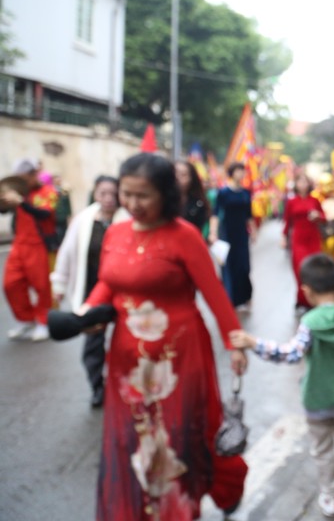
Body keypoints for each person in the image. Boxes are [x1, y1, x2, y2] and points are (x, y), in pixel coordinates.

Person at [81, 153, 248, 519]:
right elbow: (108, 282)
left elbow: (215, 294)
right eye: (127, 194)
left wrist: (234, 343)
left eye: (144, 196)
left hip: (179, 355)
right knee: (131, 437)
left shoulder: (184, 236)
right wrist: (86, 314)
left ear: (166, 195)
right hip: (127, 358)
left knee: (178, 437)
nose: (133, 204)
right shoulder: (116, 231)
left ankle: (179, 509)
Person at [230, 253, 334, 518]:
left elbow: (289, 354)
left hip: (318, 400)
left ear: (306, 290)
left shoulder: (310, 323)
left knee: (323, 450)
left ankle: (331, 496)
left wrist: (253, 343)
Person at [50, 175, 129, 407]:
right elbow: (66, 252)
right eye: (103, 193)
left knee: (125, 341)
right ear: (95, 194)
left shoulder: (129, 220)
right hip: (91, 291)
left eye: (113, 194)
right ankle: (97, 386)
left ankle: (126, 386)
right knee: (93, 343)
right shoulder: (83, 220)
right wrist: (60, 283)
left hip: (122, 292)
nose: (108, 199)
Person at [2, 157, 59, 341]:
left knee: (43, 287)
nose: (21, 182)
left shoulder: (48, 191)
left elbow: (43, 214)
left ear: (34, 175)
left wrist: (20, 202)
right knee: (11, 284)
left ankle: (43, 322)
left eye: (24, 178)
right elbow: (4, 211)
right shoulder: (21, 193)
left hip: (40, 246)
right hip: (19, 245)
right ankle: (26, 319)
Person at [209, 162, 256, 311]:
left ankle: (245, 297)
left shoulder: (246, 193)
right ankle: (231, 299)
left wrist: (253, 231)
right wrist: (213, 232)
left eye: (243, 171)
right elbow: (215, 214)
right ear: (232, 173)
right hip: (226, 233)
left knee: (244, 265)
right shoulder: (223, 193)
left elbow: (249, 215)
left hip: (241, 234)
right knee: (228, 266)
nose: (241, 174)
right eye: (238, 171)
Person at [283, 173, 326, 309]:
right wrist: (284, 238)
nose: (302, 184)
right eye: (300, 182)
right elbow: (287, 222)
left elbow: (324, 217)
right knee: (300, 269)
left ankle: (315, 299)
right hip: (298, 239)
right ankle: (302, 299)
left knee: (315, 268)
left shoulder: (315, 200)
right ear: (296, 184)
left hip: (313, 237)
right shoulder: (291, 201)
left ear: (309, 184)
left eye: (305, 182)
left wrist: (318, 215)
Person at [175, 159, 210, 237]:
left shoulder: (199, 204)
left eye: (183, 175)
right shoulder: (161, 202)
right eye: (175, 173)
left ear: (192, 179)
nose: (177, 177)